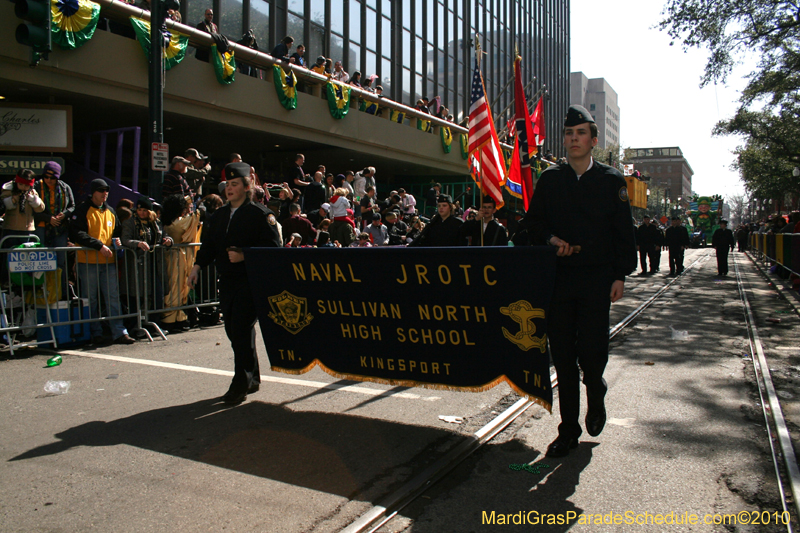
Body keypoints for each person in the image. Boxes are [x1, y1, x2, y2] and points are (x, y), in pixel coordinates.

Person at [519, 104, 636, 458]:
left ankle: (595, 389)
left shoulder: (611, 180)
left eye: (580, 133)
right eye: (569, 134)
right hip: (561, 278)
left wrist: (620, 275)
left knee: (591, 351)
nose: (573, 139)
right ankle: (568, 429)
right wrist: (552, 240)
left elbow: (623, 233)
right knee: (564, 357)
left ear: (593, 140)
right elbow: (533, 224)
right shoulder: (551, 180)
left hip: (598, 278)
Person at [188, 162, 282, 405]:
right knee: (233, 330)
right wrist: (197, 267)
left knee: (239, 329)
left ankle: (239, 383)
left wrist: (245, 255)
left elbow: (274, 250)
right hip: (227, 280)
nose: (229, 189)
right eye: (227, 185)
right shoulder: (219, 215)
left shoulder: (261, 214)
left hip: (250, 282)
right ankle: (252, 378)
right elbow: (209, 246)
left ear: (247, 186)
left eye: (234, 184)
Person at [70, 178, 136, 345]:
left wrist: (117, 241)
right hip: (88, 261)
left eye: (106, 190)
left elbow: (117, 232)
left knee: (112, 297)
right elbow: (77, 233)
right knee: (90, 299)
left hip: (108, 262)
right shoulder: (83, 209)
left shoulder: (111, 211)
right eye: (101, 190)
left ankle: (119, 332)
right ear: (93, 192)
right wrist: (98, 245)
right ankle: (94, 332)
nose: (104, 193)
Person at [32, 161, 75, 296]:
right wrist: (48, 218)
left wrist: (65, 214)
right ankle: (39, 293)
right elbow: (30, 209)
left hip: (60, 228)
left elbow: (72, 206)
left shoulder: (65, 188)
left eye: (53, 177)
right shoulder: (36, 186)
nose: (49, 180)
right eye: (46, 176)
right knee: (40, 262)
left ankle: (60, 293)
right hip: (41, 227)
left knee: (60, 263)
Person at [161, 194, 201, 333]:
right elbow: (194, 218)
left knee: (180, 286)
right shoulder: (177, 223)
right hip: (176, 257)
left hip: (176, 256)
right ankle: (171, 318)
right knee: (175, 287)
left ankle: (179, 317)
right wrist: (192, 202)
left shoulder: (168, 221)